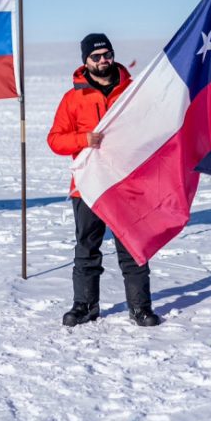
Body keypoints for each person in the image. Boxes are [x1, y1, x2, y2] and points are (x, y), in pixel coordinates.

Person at [47, 33, 162, 328]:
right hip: (88, 185)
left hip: (127, 183)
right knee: (87, 247)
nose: (103, 60)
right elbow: (55, 140)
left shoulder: (132, 93)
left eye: (107, 54)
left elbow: (152, 128)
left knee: (132, 246)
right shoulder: (73, 98)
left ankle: (140, 307)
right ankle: (85, 306)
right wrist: (83, 139)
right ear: (85, 61)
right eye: (96, 57)